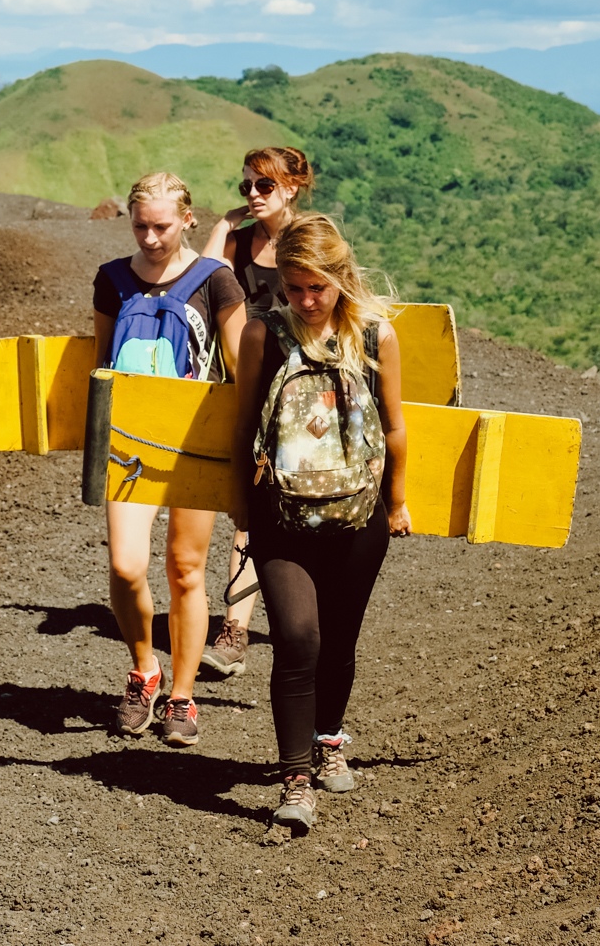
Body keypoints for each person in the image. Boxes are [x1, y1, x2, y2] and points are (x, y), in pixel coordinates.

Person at [228, 213, 410, 831]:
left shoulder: (376, 335)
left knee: (338, 639)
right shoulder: (263, 336)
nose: (305, 301)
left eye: (318, 288)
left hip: (361, 516)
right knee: (298, 639)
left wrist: (402, 500)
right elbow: (241, 423)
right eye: (293, 288)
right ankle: (296, 776)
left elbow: (395, 426)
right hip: (281, 513)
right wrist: (239, 507)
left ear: (341, 279)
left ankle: (329, 735)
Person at [95, 171, 247, 746]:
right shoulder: (111, 280)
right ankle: (144, 670)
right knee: (126, 566)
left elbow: (239, 368)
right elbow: (99, 363)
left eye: (162, 226)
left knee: (186, 569)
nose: (151, 238)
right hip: (130, 445)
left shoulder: (217, 280)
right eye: (140, 225)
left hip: (197, 444)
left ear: (188, 219)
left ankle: (182, 697)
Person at [202, 147, 315, 680]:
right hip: (244, 384)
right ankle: (235, 631)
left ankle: (307, 623)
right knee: (248, 503)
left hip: (300, 392)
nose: (251, 195)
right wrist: (223, 226)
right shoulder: (238, 240)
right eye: (245, 184)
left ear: (291, 188)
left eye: (263, 186)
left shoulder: (311, 237)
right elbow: (199, 285)